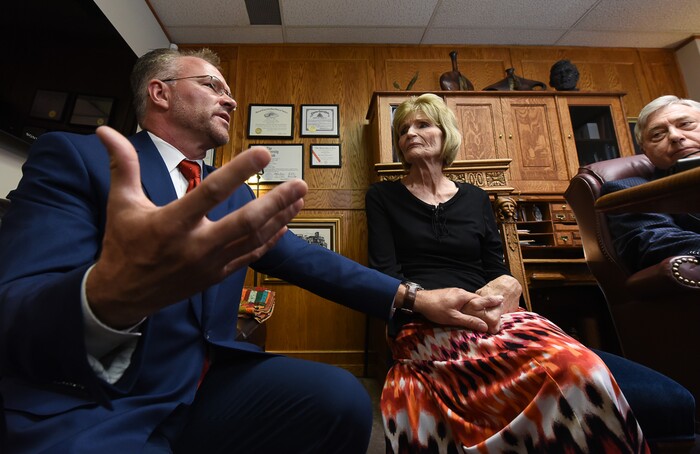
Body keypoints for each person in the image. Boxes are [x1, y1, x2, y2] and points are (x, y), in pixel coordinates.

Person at [0, 49, 498, 453]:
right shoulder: (78, 158)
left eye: (230, 91)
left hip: (200, 385)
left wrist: (414, 297)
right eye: (213, 86)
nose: (230, 100)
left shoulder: (228, 191)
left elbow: (310, 261)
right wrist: (112, 293)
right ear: (160, 92)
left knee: (340, 398)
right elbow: (16, 307)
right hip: (98, 397)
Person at [365, 93, 649, 453]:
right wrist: (427, 303)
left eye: (422, 124)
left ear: (445, 134)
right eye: (403, 129)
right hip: (421, 318)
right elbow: (385, 275)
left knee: (579, 365)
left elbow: (496, 268)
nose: (410, 134)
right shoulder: (382, 197)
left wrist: (506, 285)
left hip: (488, 311)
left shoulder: (475, 198)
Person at [602, 95, 700, 270]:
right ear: (645, 152)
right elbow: (656, 243)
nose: (675, 136)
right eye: (657, 134)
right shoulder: (632, 191)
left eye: (685, 124)